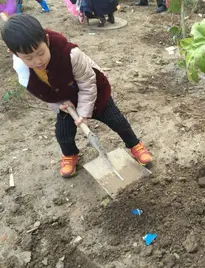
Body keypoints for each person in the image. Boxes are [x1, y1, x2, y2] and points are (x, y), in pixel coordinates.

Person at [2, 14, 152, 178]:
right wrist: (58, 106)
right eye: (28, 58)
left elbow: (88, 83)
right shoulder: (22, 69)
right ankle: (70, 154)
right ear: (15, 53)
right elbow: (42, 93)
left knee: (117, 121)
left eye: (40, 53)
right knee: (63, 134)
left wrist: (84, 113)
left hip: (94, 91)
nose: (37, 61)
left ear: (46, 40)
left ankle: (134, 144)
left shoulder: (70, 54)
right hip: (66, 101)